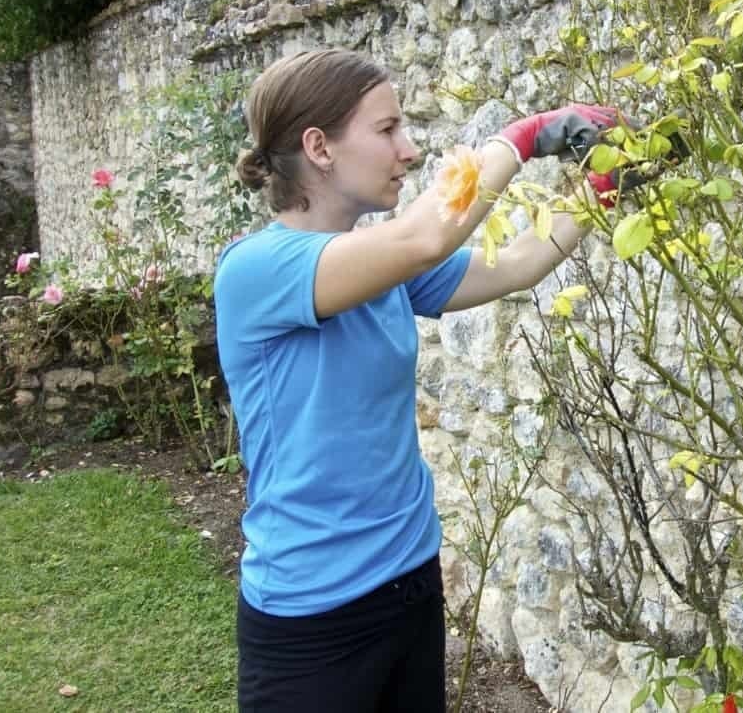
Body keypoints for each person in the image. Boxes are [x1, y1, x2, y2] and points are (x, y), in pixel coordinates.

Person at [213, 47, 620, 712]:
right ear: (319, 147)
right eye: (387, 129)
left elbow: (517, 263)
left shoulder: (384, 265)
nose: (407, 148)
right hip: (313, 620)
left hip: (409, 583)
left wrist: (607, 185)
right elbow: (424, 238)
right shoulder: (257, 271)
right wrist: (525, 135)